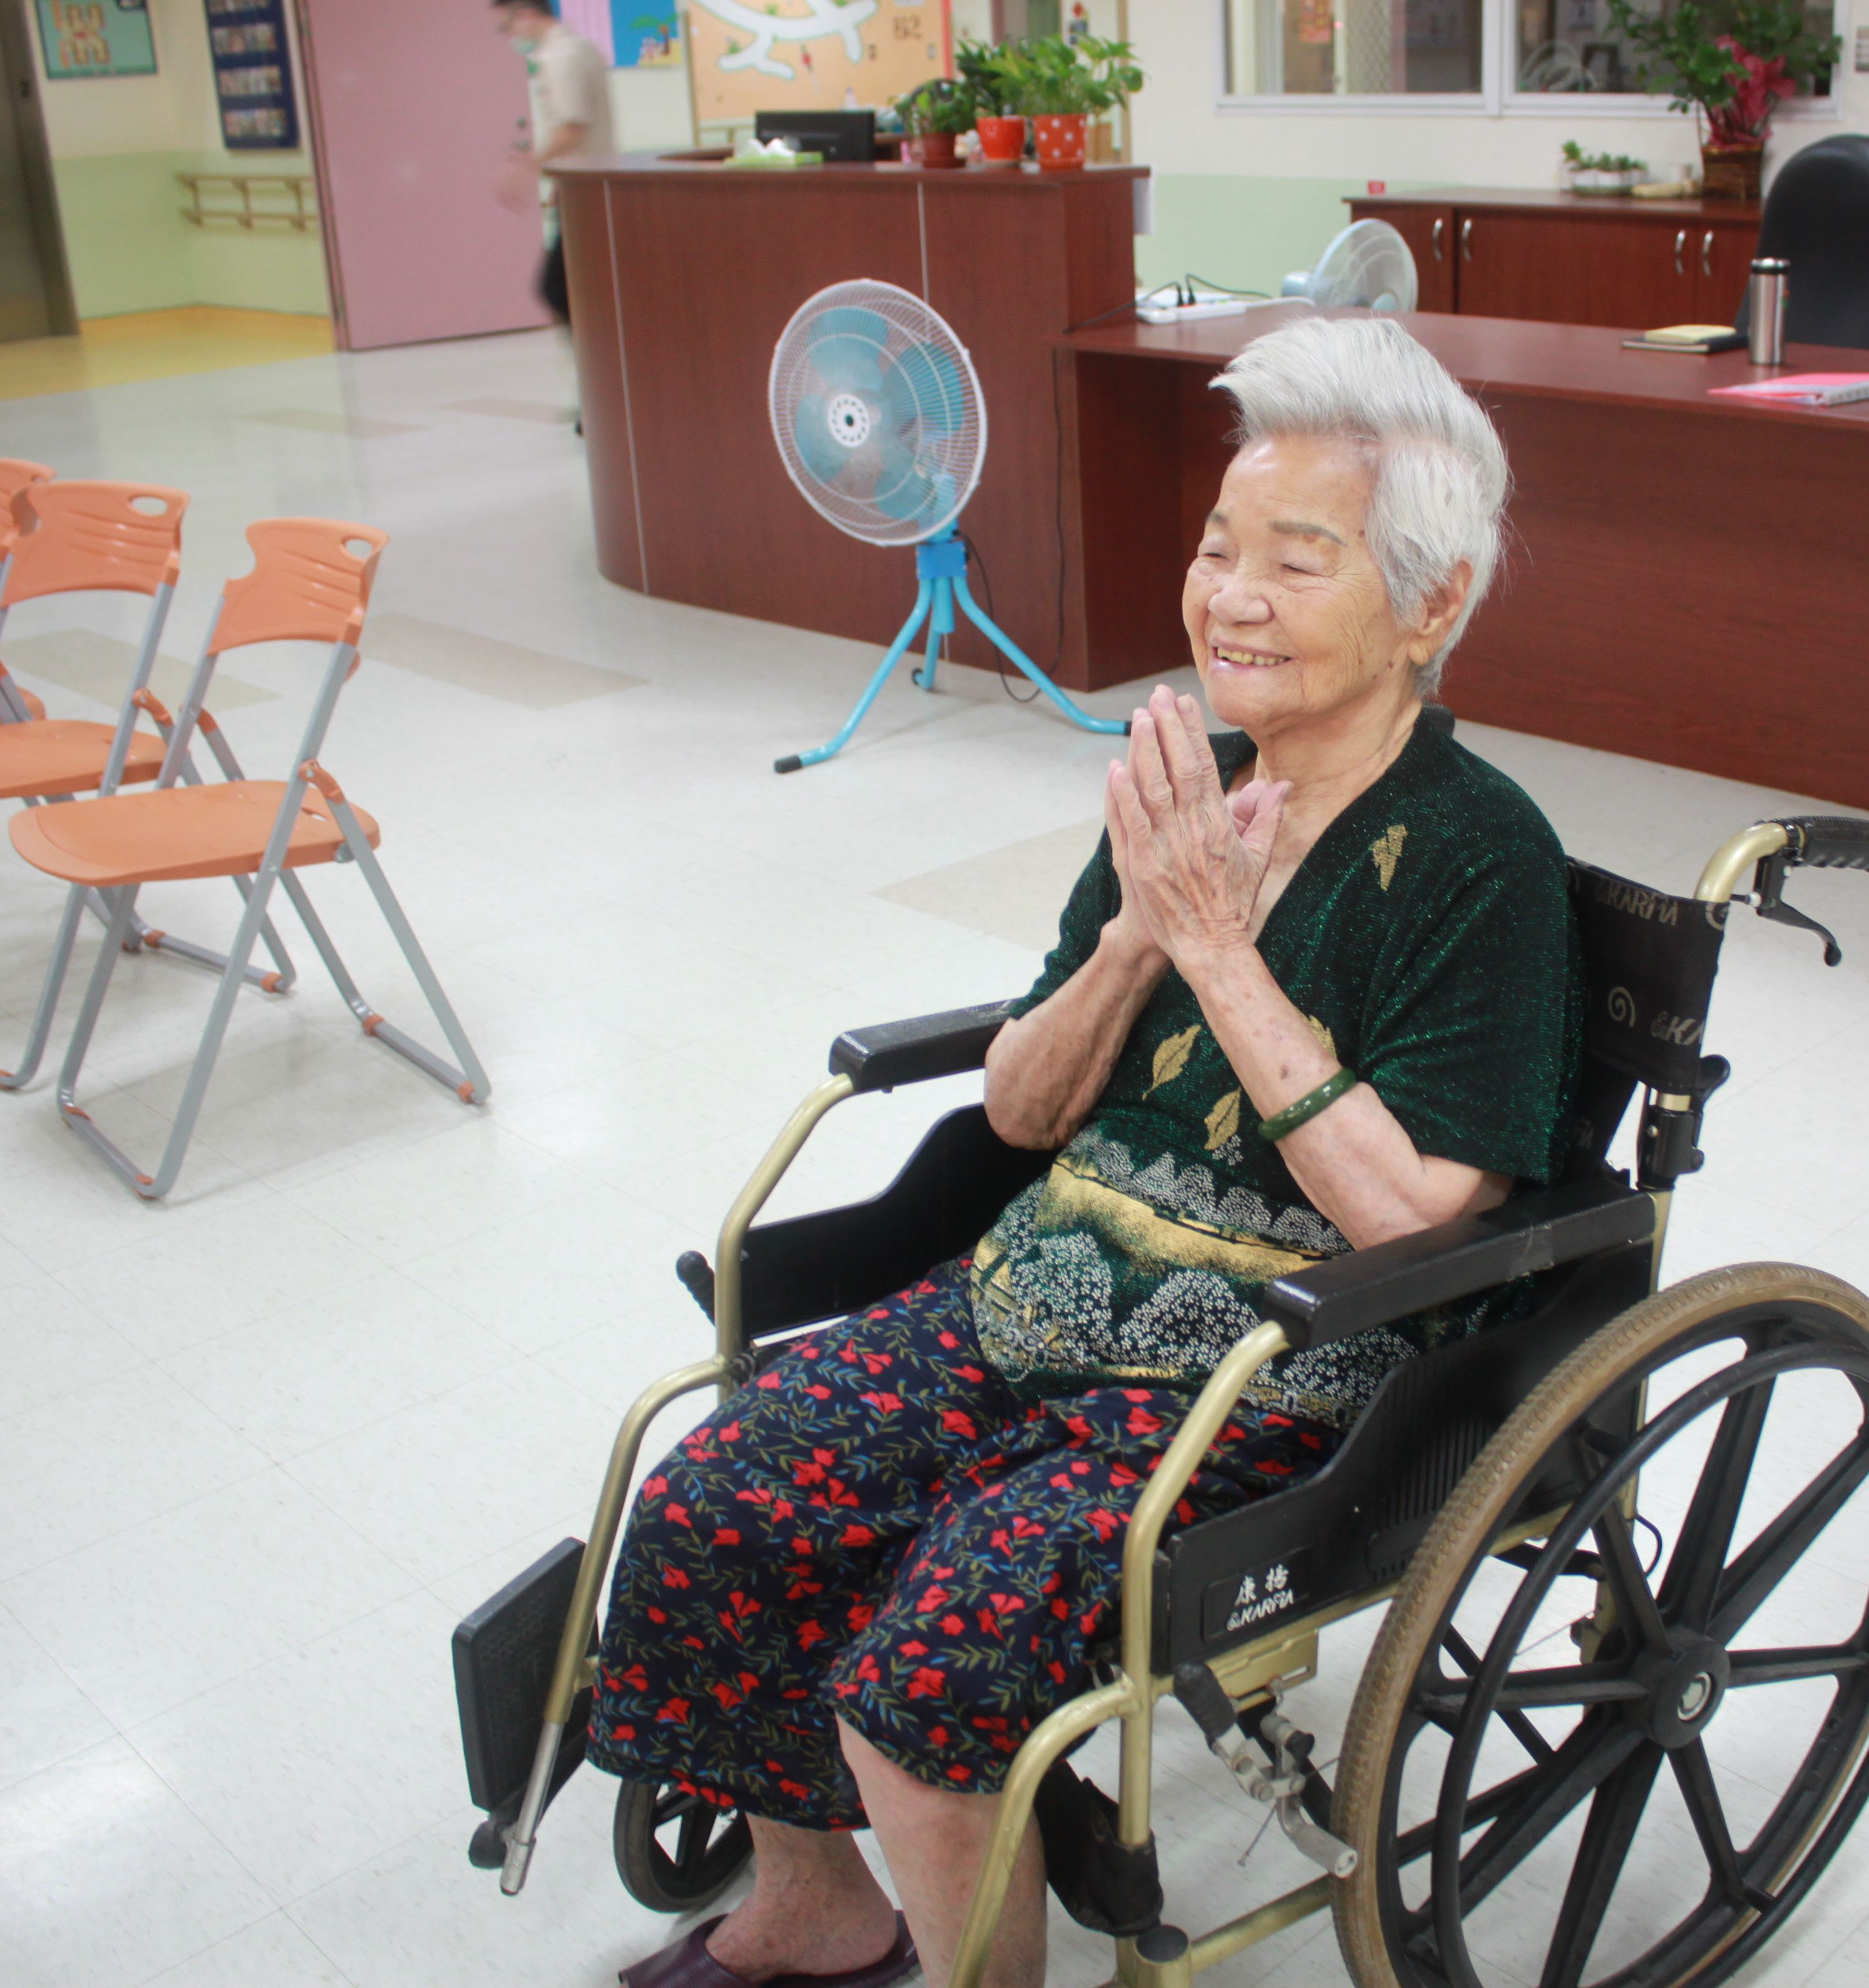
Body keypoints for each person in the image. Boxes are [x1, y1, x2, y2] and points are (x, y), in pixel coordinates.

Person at [585, 316, 1579, 1988]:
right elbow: (1027, 1115)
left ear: (1433, 603)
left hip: (1271, 1379)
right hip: (1029, 1292)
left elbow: (1414, 1216)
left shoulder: (1487, 865)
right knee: (712, 1504)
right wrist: (1133, 937)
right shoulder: (1192, 793)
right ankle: (821, 1913)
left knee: (927, 1687)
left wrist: (1219, 953)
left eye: (1296, 559)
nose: (1229, 595)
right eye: (1215, 548)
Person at [493, 0, 613, 326]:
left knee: (557, 290)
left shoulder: (563, 56)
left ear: (527, 12)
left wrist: (524, 167)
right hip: (583, 187)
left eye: (508, 25)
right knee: (578, 287)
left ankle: (599, 365)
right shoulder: (578, 48)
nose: (511, 35)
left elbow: (572, 129)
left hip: (586, 191)